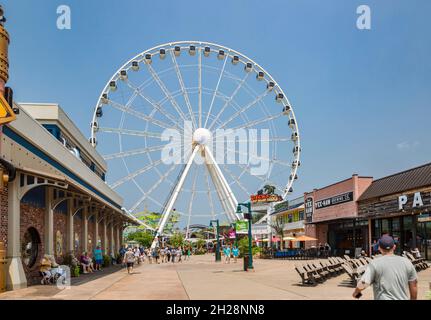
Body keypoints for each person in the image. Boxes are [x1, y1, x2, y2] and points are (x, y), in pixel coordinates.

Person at [352, 235, 417, 300]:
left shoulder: (375, 263)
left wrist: (356, 293)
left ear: (379, 248)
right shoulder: (407, 262)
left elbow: (364, 282)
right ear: (394, 247)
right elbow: (413, 285)